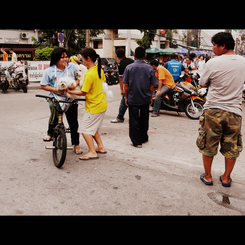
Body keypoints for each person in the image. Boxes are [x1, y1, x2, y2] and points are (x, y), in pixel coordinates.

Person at [197, 32, 245, 187]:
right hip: (235, 113)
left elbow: (203, 83)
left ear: (223, 46)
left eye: (214, 45)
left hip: (213, 111)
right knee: (232, 147)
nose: (213, 49)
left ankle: (208, 176)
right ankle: (225, 178)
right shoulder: (243, 62)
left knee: (208, 145)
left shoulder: (213, 63)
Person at [40, 47, 83, 155]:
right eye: (62, 58)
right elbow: (43, 85)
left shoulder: (72, 67)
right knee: (54, 118)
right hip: (56, 98)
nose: (65, 59)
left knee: (73, 123)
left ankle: (76, 145)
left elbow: (79, 77)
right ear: (56, 59)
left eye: (66, 57)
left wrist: (75, 84)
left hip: (71, 97)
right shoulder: (49, 71)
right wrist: (56, 89)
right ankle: (50, 133)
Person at [67, 47, 107, 160]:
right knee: (93, 128)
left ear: (88, 59)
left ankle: (92, 151)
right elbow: (103, 83)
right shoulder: (99, 70)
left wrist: (69, 91)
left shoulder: (89, 74)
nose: (82, 61)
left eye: (83, 59)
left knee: (84, 129)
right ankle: (100, 147)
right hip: (101, 104)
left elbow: (83, 92)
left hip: (94, 106)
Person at [123, 46, 155, 148]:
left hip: (133, 97)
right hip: (145, 97)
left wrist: (126, 97)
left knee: (134, 119)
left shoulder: (129, 68)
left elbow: (126, 85)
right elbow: (151, 85)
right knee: (144, 118)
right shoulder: (150, 68)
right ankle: (143, 137)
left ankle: (136, 141)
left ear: (134, 55)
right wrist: (150, 97)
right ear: (145, 55)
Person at [111, 48, 134, 123]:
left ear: (117, 56)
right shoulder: (131, 61)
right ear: (124, 54)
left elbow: (121, 78)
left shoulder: (121, 65)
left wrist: (122, 89)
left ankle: (120, 117)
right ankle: (134, 118)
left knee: (124, 101)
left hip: (128, 85)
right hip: (135, 84)